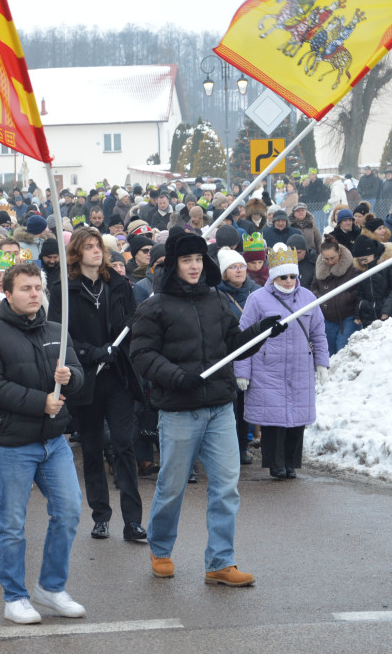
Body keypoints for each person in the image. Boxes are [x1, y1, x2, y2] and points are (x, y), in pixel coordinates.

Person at [130, 232, 284, 586]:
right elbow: (142, 354)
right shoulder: (155, 305)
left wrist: (260, 333)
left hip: (219, 408)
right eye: (187, 260)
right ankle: (160, 549)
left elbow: (234, 345)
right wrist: (176, 377)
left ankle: (220, 562)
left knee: (226, 487)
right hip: (178, 410)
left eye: (199, 259)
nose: (194, 266)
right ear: (174, 264)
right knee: (172, 487)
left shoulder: (216, 299)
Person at [0, 262, 86, 625]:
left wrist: (71, 377)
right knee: (12, 524)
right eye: (26, 288)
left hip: (53, 441)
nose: (34, 294)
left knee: (69, 511)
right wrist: (41, 402)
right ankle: (15, 597)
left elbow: (78, 375)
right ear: (7, 293)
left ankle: (51, 588)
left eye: (38, 287)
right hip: (10, 443)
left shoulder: (56, 330)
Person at [48, 227, 145, 543]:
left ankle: (132, 520)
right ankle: (100, 516)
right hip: (86, 378)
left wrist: (123, 337)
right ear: (77, 253)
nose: (96, 251)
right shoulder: (64, 290)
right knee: (91, 448)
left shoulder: (118, 284)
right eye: (89, 246)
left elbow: (133, 321)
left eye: (98, 246)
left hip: (118, 376)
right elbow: (61, 334)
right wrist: (92, 353)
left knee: (123, 444)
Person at [236, 243, 329, 480]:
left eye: (292, 276)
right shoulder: (257, 299)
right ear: (274, 276)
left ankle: (291, 463)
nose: (288, 281)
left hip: (300, 368)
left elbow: (318, 333)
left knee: (297, 420)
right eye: (283, 277)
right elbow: (244, 336)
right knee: (273, 420)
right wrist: (242, 371)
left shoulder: (308, 297)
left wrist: (322, 363)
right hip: (267, 368)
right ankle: (275, 464)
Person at [215, 247, 261, 464]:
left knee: (247, 406)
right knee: (231, 406)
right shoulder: (216, 294)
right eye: (233, 267)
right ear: (224, 272)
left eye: (241, 266)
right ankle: (229, 449)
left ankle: (243, 447)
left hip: (254, 354)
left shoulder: (257, 292)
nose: (239, 270)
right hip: (227, 355)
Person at [311, 239, 361, 356]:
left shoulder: (353, 268)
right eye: (326, 259)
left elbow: (360, 290)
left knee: (342, 351)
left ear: (339, 252)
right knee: (329, 353)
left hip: (348, 317)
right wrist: (321, 299)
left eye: (332, 258)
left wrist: (344, 297)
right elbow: (314, 287)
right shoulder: (320, 268)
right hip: (328, 318)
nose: (330, 262)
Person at [350, 235, 392, 327]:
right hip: (370, 314)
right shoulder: (361, 267)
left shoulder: (389, 262)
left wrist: (386, 311)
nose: (362, 262)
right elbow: (360, 293)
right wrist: (357, 314)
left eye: (364, 259)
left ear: (372, 253)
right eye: (359, 260)